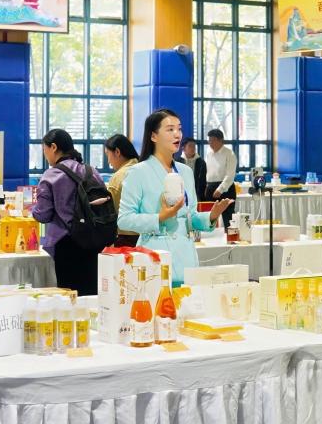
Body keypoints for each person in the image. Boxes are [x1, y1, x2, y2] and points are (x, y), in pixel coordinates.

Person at [118, 110, 232, 283]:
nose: (177, 134)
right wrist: (160, 217)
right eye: (170, 129)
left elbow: (190, 217)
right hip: (154, 257)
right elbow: (124, 219)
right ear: (153, 136)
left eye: (179, 129)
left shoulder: (185, 171)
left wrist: (211, 216)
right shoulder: (137, 172)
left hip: (185, 257)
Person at [30, 128, 110, 295]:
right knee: (90, 293)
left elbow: (43, 214)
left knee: (69, 294)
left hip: (66, 243)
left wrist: (32, 210)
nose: (45, 155)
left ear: (53, 147)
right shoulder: (91, 171)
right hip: (94, 239)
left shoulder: (52, 175)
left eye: (45, 150)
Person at [104, 133, 140, 247]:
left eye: (107, 154)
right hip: (149, 235)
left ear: (117, 152)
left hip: (127, 238)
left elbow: (111, 212)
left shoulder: (118, 177)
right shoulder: (145, 169)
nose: (108, 161)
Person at [203, 128, 238, 228]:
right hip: (210, 187)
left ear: (220, 140)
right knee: (210, 216)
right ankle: (210, 236)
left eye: (212, 140)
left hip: (226, 188)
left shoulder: (229, 154)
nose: (210, 143)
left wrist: (220, 189)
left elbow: (230, 175)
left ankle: (230, 236)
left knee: (228, 217)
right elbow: (208, 172)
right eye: (209, 140)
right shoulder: (209, 154)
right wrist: (207, 186)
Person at [178, 137, 209, 203]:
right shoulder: (177, 161)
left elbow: (203, 180)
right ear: (183, 148)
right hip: (181, 193)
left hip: (197, 194)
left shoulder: (201, 162)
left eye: (194, 146)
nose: (193, 148)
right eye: (190, 146)